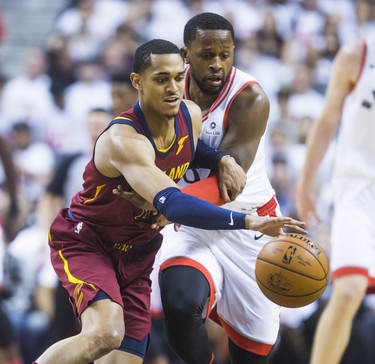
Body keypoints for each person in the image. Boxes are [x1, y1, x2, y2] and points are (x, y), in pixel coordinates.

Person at [34, 38, 305, 364]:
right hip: (91, 242)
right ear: (138, 82)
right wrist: (247, 220)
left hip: (137, 252)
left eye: (178, 77)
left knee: (125, 359)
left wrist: (220, 158)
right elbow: (173, 205)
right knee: (106, 332)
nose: (173, 87)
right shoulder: (123, 140)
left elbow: (191, 148)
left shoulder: (188, 114)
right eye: (161, 79)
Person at [116, 13, 302, 364]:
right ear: (187, 54)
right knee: (180, 304)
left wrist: (165, 202)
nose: (217, 64)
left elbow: (228, 187)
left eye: (225, 54)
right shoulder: (167, 87)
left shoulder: (250, 98)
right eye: (207, 55)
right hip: (188, 222)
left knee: (251, 355)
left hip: (249, 226)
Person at [296, 37, 375, 364]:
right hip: (358, 190)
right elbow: (328, 120)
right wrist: (306, 182)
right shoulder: (357, 54)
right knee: (346, 293)